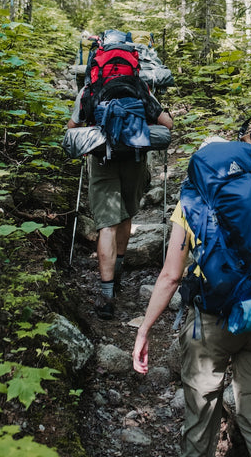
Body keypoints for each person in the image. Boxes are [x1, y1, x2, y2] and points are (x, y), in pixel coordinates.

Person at [132, 137, 251, 457]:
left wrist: (144, 329)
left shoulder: (192, 200)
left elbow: (170, 276)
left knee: (200, 424)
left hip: (212, 320)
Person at [67, 74, 173, 320]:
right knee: (126, 215)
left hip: (102, 159)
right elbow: (166, 124)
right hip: (134, 159)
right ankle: (118, 275)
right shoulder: (139, 87)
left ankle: (106, 297)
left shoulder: (90, 89)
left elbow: (73, 128)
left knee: (107, 225)